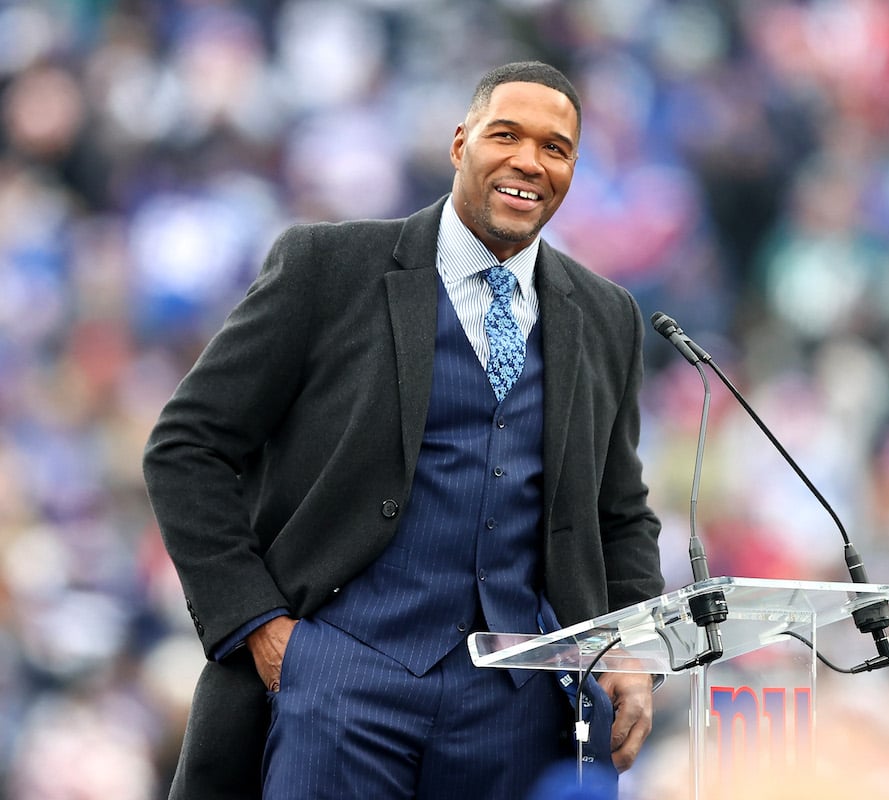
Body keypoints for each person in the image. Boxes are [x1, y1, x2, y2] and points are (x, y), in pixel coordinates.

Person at [143, 60, 664, 799]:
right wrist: (259, 626)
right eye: (505, 135)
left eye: (556, 148)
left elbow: (620, 515)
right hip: (337, 679)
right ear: (459, 144)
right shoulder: (328, 267)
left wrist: (630, 651)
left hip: (519, 706)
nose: (529, 161)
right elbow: (185, 447)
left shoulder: (608, 316)